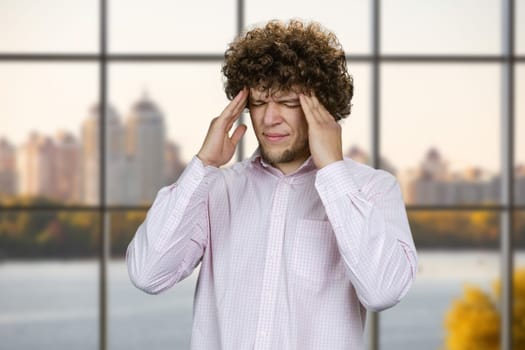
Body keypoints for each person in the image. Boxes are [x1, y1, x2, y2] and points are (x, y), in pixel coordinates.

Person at [127, 19, 417, 350]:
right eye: (259, 103)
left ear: (323, 107)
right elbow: (148, 274)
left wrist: (333, 172)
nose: (269, 118)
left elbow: (383, 291)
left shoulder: (371, 189)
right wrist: (203, 165)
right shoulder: (216, 190)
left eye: (289, 103)